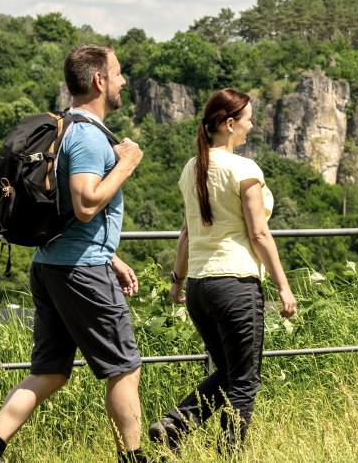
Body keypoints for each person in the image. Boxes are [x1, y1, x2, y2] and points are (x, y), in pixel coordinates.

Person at [0, 44, 150, 463]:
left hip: (52, 265)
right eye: (119, 73)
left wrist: (112, 255)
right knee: (124, 367)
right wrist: (126, 163)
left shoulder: (65, 127)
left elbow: (71, 213)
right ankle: (135, 457)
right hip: (81, 273)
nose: (124, 81)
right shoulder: (89, 137)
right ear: (99, 81)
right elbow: (87, 203)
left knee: (49, 371)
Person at [148, 88, 297, 452]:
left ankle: (174, 427)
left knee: (229, 374)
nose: (251, 126)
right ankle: (227, 453)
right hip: (235, 284)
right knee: (245, 381)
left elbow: (185, 234)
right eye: (247, 120)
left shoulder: (191, 168)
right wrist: (283, 285)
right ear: (229, 124)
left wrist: (178, 281)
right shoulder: (243, 169)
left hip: (200, 287)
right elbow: (260, 234)